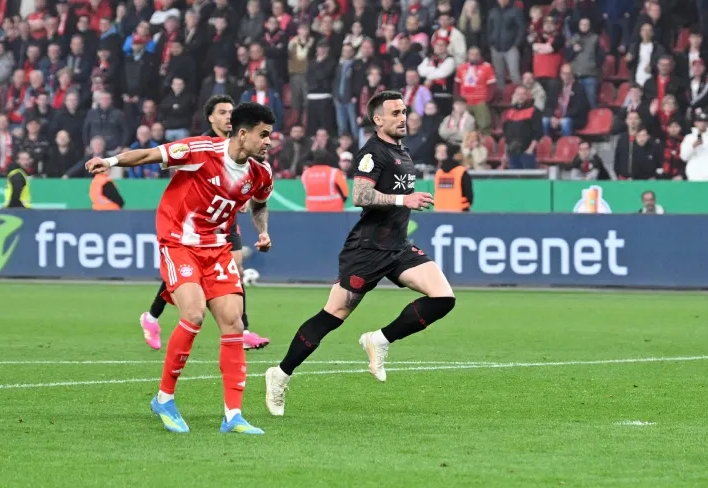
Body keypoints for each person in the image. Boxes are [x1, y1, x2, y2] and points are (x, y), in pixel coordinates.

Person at [86, 102, 277, 435]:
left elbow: (259, 204)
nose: (268, 142)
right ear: (242, 133)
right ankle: (164, 398)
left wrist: (262, 230)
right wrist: (110, 162)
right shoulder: (200, 150)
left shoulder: (260, 173)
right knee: (193, 314)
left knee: (233, 322)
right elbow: (148, 155)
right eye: (263, 135)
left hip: (217, 249)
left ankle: (233, 415)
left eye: (270, 136)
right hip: (179, 242)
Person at [264, 91, 455, 417]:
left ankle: (379, 340)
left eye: (404, 111)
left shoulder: (402, 150)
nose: (402, 117)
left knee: (443, 297)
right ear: (378, 119)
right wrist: (402, 201)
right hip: (367, 249)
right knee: (333, 315)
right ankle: (280, 374)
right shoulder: (372, 152)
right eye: (395, 113)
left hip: (398, 247)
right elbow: (361, 194)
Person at [139, 96, 271, 352]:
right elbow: (184, 176)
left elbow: (252, 188)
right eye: (222, 112)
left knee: (237, 268)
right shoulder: (204, 144)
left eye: (230, 112)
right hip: (195, 223)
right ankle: (152, 316)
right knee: (187, 274)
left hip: (225, 220)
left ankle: (241, 329)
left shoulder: (246, 148)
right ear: (211, 117)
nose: (227, 117)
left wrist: (240, 198)